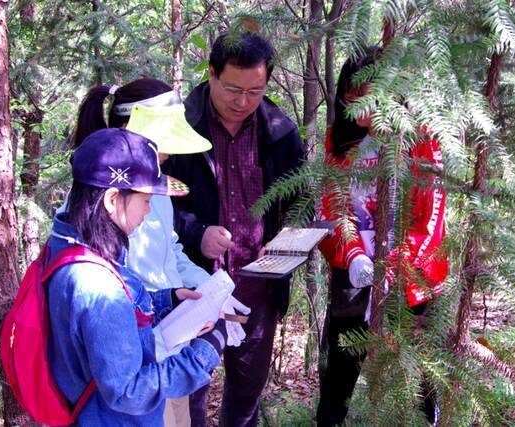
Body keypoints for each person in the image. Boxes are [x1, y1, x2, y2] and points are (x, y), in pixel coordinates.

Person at [71, 78, 250, 427]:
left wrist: (209, 292)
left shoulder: (155, 187)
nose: (167, 155)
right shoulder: (100, 204)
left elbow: (171, 250)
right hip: (138, 365)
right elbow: (114, 295)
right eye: (161, 145)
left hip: (168, 351)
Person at [163, 31, 305, 426]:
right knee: (187, 393)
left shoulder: (279, 133)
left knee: (246, 395)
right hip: (192, 291)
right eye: (232, 89)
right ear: (211, 74)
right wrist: (197, 232)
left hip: (257, 290)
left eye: (255, 91)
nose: (243, 102)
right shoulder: (181, 128)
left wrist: (289, 245)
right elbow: (155, 209)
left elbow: (299, 204)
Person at [47, 128, 228, 425]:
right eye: (145, 200)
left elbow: (102, 332)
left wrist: (165, 300)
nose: (148, 210)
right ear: (112, 199)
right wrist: (205, 352)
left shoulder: (70, 246)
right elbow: (128, 391)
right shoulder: (99, 286)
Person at [316, 48, 448, 426]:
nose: (361, 116)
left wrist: (397, 266)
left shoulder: (422, 136)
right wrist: (354, 254)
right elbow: (333, 202)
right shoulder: (339, 139)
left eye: (370, 104)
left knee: (418, 374)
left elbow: (431, 217)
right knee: (340, 369)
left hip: (413, 275)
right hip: (353, 267)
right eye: (351, 104)